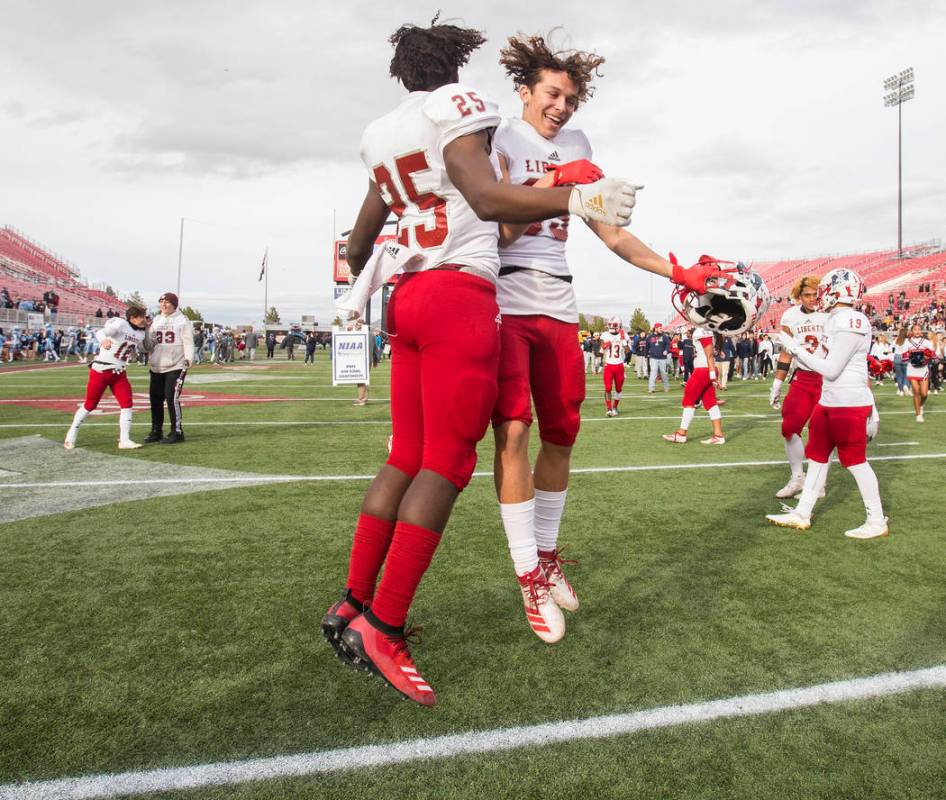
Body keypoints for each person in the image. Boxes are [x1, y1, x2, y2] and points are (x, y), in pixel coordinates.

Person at [321, 17, 642, 705]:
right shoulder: (456, 109)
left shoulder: (381, 134)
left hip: (403, 300)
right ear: (455, 70)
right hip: (458, 294)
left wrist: (381, 256)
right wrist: (576, 195)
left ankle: (351, 602)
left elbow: (356, 249)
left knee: (405, 454)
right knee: (446, 464)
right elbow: (489, 198)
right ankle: (387, 625)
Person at [487, 32, 724, 644]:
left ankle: (545, 555)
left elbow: (611, 235)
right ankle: (526, 576)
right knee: (514, 429)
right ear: (524, 91)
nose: (562, 107)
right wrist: (555, 185)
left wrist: (677, 271)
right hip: (506, 296)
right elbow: (501, 230)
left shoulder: (578, 143)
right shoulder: (500, 137)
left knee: (563, 433)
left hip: (560, 300)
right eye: (552, 94)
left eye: (571, 98)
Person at [767, 269, 887, 539]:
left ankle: (877, 519)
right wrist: (792, 349)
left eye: (824, 288)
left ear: (836, 290)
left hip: (848, 402)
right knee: (818, 455)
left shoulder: (851, 320)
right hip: (829, 399)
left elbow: (831, 369)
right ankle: (802, 512)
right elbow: (820, 361)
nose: (820, 294)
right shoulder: (836, 318)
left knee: (855, 461)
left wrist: (795, 348)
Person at [768, 275, 827, 499]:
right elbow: (786, 351)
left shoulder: (830, 313)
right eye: (807, 295)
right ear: (799, 296)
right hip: (802, 378)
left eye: (815, 294)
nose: (812, 299)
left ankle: (818, 484)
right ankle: (798, 478)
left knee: (820, 433)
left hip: (827, 377)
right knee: (789, 426)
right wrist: (777, 383)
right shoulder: (790, 316)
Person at [64, 306, 148, 450]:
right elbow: (101, 332)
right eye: (142, 317)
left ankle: (124, 439)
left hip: (119, 372)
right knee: (90, 404)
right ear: (133, 317)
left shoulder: (141, 334)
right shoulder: (121, 324)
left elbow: (133, 348)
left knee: (127, 403)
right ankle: (71, 435)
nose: (144, 319)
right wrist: (104, 340)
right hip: (102, 370)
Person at [142, 292, 194, 444]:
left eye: (167, 302)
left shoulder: (182, 320)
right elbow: (149, 343)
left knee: (172, 398)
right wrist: (144, 333)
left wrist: (188, 358)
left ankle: (177, 431)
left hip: (175, 365)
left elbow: (188, 341)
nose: (163, 305)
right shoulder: (157, 320)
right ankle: (156, 430)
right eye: (161, 302)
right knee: (155, 399)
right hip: (157, 365)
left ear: (174, 304)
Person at [662, 325, 726, 445]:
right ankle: (718, 435)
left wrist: (712, 376)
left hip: (704, 369)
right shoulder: (710, 329)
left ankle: (681, 434)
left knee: (688, 399)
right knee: (710, 402)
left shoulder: (703, 330)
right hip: (707, 368)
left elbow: (709, 355)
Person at [903, 323, 935, 422]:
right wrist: (910, 356)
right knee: (916, 391)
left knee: (924, 394)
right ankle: (918, 414)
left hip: (923, 369)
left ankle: (920, 405)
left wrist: (927, 356)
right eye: (915, 329)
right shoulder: (907, 342)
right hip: (912, 369)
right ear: (912, 331)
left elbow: (933, 354)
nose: (917, 331)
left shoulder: (926, 342)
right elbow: (903, 357)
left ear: (921, 331)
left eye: (919, 329)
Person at [600, 317, 628, 417]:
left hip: (619, 365)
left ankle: (615, 407)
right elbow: (601, 350)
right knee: (608, 387)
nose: (611, 326)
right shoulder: (605, 335)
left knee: (619, 389)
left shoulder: (623, 335)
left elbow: (628, 351)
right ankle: (609, 408)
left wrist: (624, 340)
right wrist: (604, 345)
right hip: (609, 365)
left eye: (614, 324)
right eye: (610, 324)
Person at [646, 322, 670, 393]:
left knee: (663, 373)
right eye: (660, 328)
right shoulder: (650, 337)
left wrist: (666, 350)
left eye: (661, 328)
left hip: (662, 358)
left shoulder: (664, 336)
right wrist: (646, 354)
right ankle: (651, 388)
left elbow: (668, 344)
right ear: (655, 328)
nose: (661, 329)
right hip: (653, 357)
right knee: (653, 372)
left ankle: (666, 387)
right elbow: (647, 346)